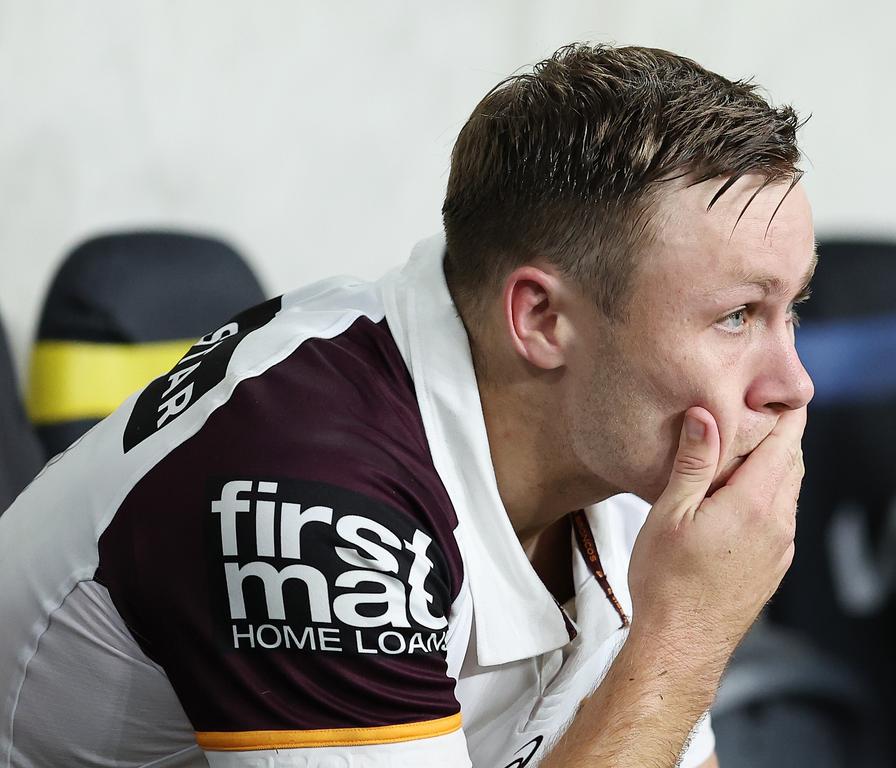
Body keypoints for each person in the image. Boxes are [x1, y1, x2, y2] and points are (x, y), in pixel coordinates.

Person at [0, 43, 813, 767]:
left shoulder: (623, 439)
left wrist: (678, 639)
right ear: (541, 319)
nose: (794, 383)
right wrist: (684, 637)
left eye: (792, 309)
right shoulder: (312, 496)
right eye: (737, 315)